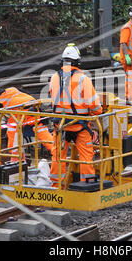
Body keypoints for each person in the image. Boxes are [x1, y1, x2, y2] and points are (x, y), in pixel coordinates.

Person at [49, 43, 102, 187]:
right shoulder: (82, 79)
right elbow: (94, 104)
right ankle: (87, 183)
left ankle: (55, 185)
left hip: (60, 125)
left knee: (58, 156)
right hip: (80, 125)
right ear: (77, 62)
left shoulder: (54, 77)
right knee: (86, 156)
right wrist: (98, 112)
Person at [0, 84, 54, 162]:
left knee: (12, 128)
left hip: (22, 111)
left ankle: (15, 153)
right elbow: (25, 93)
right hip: (33, 105)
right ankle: (55, 149)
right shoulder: (11, 89)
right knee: (39, 127)